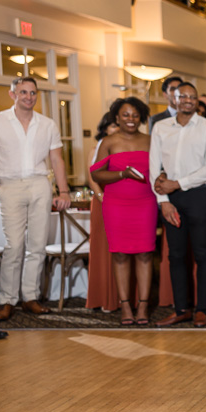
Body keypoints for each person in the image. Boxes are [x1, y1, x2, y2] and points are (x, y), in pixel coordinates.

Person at [0, 77, 72, 322]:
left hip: (39, 184)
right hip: (9, 186)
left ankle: (30, 297)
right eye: (23, 92)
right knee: (14, 246)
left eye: (33, 92)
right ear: (12, 94)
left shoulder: (47, 124)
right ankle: (7, 300)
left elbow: (56, 160)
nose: (29, 97)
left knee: (37, 245)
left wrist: (63, 190)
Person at [151, 82, 206, 328]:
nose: (188, 100)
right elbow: (154, 168)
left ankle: (201, 309)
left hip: (199, 196)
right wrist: (163, 201)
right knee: (176, 256)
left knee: (203, 254)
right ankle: (181, 309)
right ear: (174, 98)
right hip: (170, 200)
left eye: (193, 97)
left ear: (197, 101)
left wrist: (177, 184)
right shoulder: (160, 128)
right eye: (184, 96)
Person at [90, 97, 158, 325]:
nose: (131, 119)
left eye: (135, 115)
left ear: (142, 117)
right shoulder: (108, 142)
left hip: (145, 203)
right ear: (116, 118)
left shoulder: (151, 140)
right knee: (119, 255)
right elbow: (96, 175)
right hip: (116, 204)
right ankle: (126, 307)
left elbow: (162, 170)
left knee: (146, 254)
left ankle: (143, 307)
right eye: (125, 115)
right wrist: (122, 174)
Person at [84, 109, 121, 314]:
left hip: (123, 202)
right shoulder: (96, 148)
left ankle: (121, 297)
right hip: (103, 202)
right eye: (113, 125)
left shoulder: (126, 147)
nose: (117, 129)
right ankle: (103, 298)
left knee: (122, 250)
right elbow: (92, 178)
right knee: (103, 250)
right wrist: (103, 199)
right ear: (105, 127)